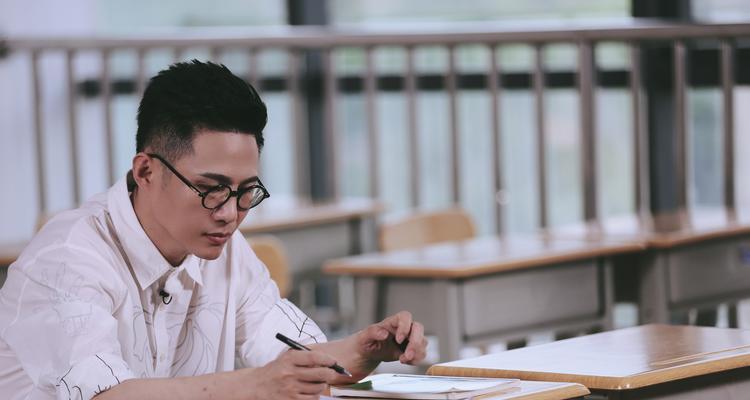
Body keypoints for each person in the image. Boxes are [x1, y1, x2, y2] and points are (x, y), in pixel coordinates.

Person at [0, 60, 427, 399]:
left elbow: (292, 358)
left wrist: (362, 349)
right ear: (146, 171)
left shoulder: (226, 249)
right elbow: (105, 395)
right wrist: (254, 386)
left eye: (245, 192)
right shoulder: (67, 260)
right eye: (210, 189)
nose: (228, 214)